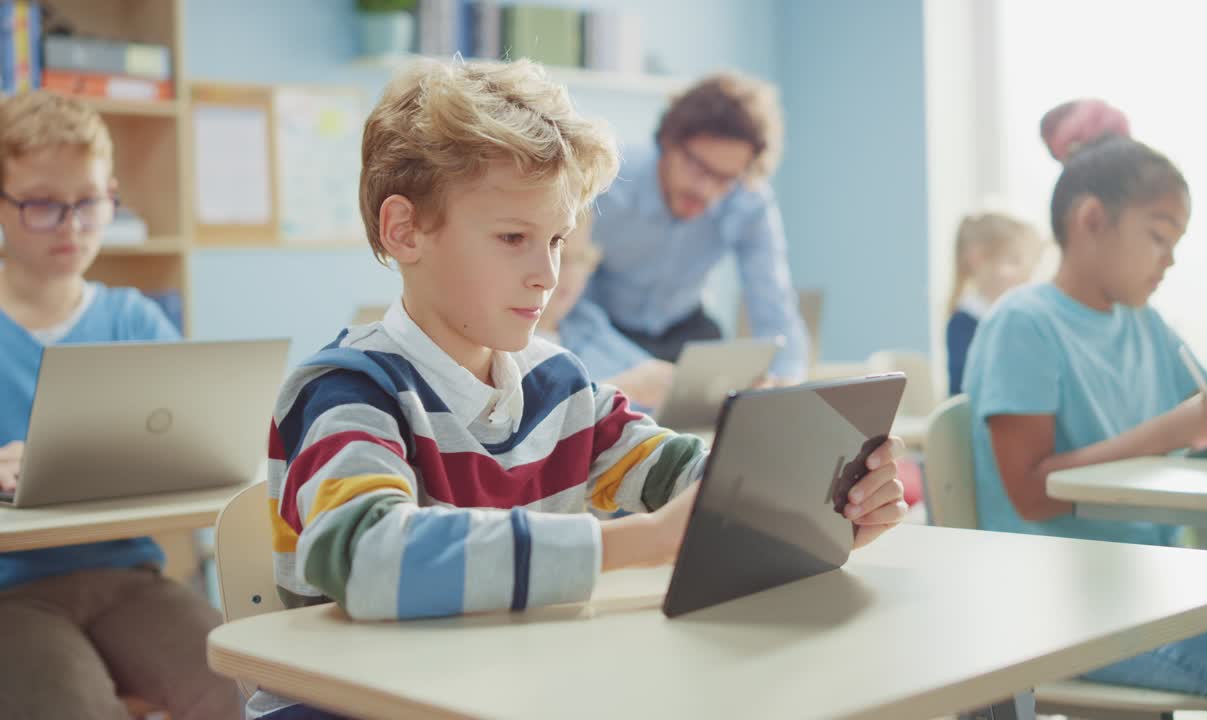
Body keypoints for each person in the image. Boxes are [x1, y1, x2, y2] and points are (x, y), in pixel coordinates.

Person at [249, 58, 909, 719]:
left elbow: (688, 475)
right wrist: (640, 542)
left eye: (558, 240)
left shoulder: (558, 384)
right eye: (513, 237)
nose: (546, 274)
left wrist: (817, 508)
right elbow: (366, 558)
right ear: (405, 230)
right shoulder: (345, 391)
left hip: (500, 694)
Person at [964, 121, 1207, 694]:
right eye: (1158, 237)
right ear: (1090, 220)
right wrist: (1169, 431)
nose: (1170, 261)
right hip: (1065, 611)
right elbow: (1030, 493)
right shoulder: (1024, 325)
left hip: (1157, 589)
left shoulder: (1144, 324)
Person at [0, 91, 238, 719]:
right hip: (11, 594)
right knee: (73, 707)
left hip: (129, 580)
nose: (71, 225)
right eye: (42, 204)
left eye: (88, 202)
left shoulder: (134, 320)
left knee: (241, 685)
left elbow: (198, 444)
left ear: (111, 197)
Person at [587, 72, 810, 382]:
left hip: (687, 330)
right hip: (607, 332)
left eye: (725, 178)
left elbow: (772, 300)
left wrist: (785, 379)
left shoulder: (746, 199)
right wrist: (637, 371)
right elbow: (571, 301)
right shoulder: (609, 185)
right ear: (669, 141)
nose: (706, 190)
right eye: (698, 167)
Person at [536, 211, 674, 413]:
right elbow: (539, 419)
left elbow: (651, 371)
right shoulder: (514, 347)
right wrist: (624, 388)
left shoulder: (586, 320)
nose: (571, 273)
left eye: (581, 259)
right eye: (561, 259)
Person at [944, 212, 1043, 395]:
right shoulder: (963, 322)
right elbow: (964, 388)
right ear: (978, 258)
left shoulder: (1015, 317)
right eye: (1013, 261)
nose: (1026, 273)